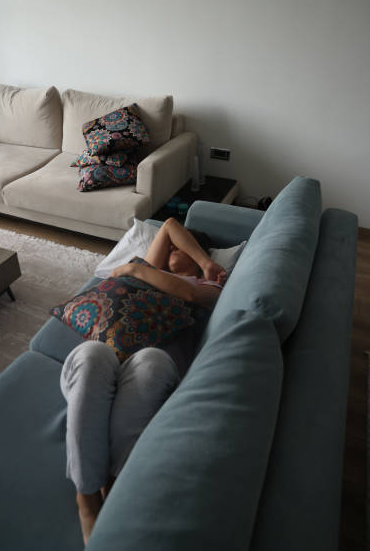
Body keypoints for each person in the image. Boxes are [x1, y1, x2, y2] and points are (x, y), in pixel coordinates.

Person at [60, 217, 226, 544]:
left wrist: (205, 265)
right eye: (173, 248)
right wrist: (152, 265)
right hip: (105, 357)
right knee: (93, 354)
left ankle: (116, 482)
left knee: (151, 361)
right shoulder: (152, 266)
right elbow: (167, 225)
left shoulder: (208, 288)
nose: (170, 253)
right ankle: (87, 497)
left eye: (180, 249)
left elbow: (188, 296)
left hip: (153, 366)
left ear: (194, 257)